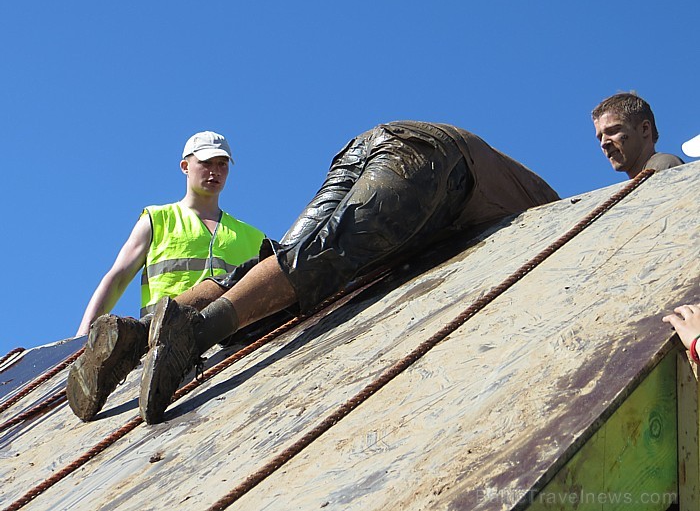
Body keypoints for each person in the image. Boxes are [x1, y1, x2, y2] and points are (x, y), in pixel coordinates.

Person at [67, 120, 560, 424]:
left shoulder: (524, 187)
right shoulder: (560, 218)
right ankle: (193, 336)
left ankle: (135, 336)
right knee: (322, 258)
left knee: (291, 253)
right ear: (186, 166)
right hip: (430, 160)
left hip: (370, 144)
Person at [67, 131, 265, 420]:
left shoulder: (252, 236)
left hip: (227, 346)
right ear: (185, 167)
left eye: (222, 164)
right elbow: (118, 275)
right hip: (159, 346)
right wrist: (81, 339)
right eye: (207, 163)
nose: (215, 172)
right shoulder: (158, 218)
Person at [592, 92, 684, 179]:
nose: (603, 143)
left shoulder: (664, 165)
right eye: (600, 138)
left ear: (645, 129)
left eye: (613, 131)